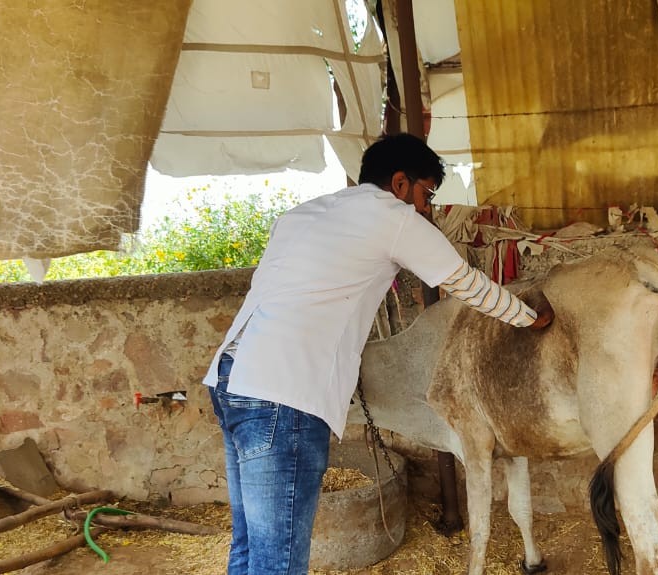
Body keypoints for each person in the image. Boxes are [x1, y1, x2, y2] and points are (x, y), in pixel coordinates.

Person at [201, 133, 553, 575]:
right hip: (282, 394)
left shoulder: (301, 214)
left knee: (250, 546)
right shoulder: (393, 216)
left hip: (231, 378)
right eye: (427, 193)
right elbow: (463, 282)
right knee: (279, 563)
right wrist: (526, 317)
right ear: (401, 183)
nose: (427, 208)